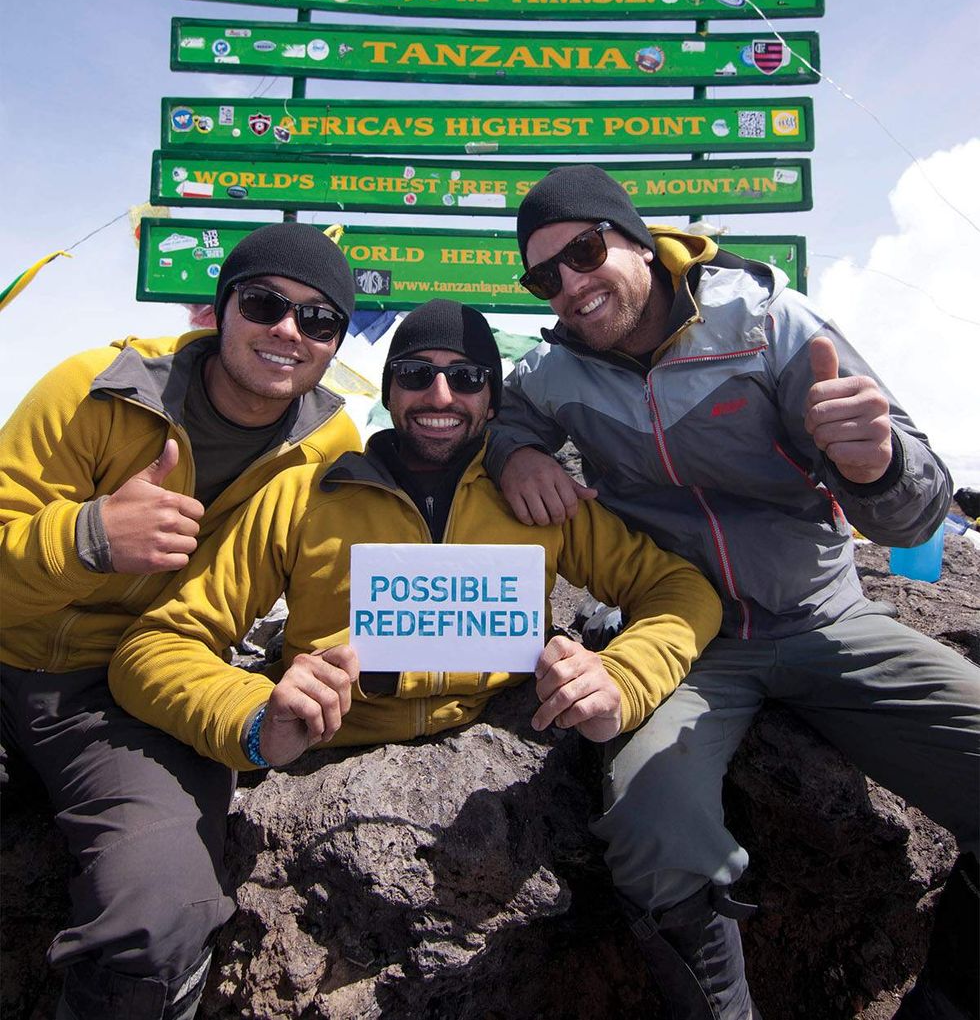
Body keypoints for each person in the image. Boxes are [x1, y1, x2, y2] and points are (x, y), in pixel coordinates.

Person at [482, 164, 980, 1020]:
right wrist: (515, 454)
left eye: (586, 250)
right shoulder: (553, 371)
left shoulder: (771, 323)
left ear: (638, 240)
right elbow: (503, 423)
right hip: (687, 640)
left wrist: (877, 463)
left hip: (826, 616)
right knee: (652, 831)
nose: (569, 284)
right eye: (543, 276)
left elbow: (917, 507)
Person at [108, 300, 720, 863]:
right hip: (323, 789)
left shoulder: (539, 499)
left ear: (493, 400)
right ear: (389, 387)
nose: (440, 394)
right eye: (415, 372)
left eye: (468, 378)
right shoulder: (302, 495)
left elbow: (681, 590)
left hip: (506, 779)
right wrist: (253, 716)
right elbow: (155, 647)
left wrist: (622, 678)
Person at [0, 223, 361, 1020]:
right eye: (264, 302)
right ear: (218, 309)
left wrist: (269, 712)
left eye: (319, 318)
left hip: (124, 699)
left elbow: (323, 622)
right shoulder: (95, 389)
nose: (287, 331)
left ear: (338, 340)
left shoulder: (329, 448)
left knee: (160, 912)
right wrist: (92, 536)